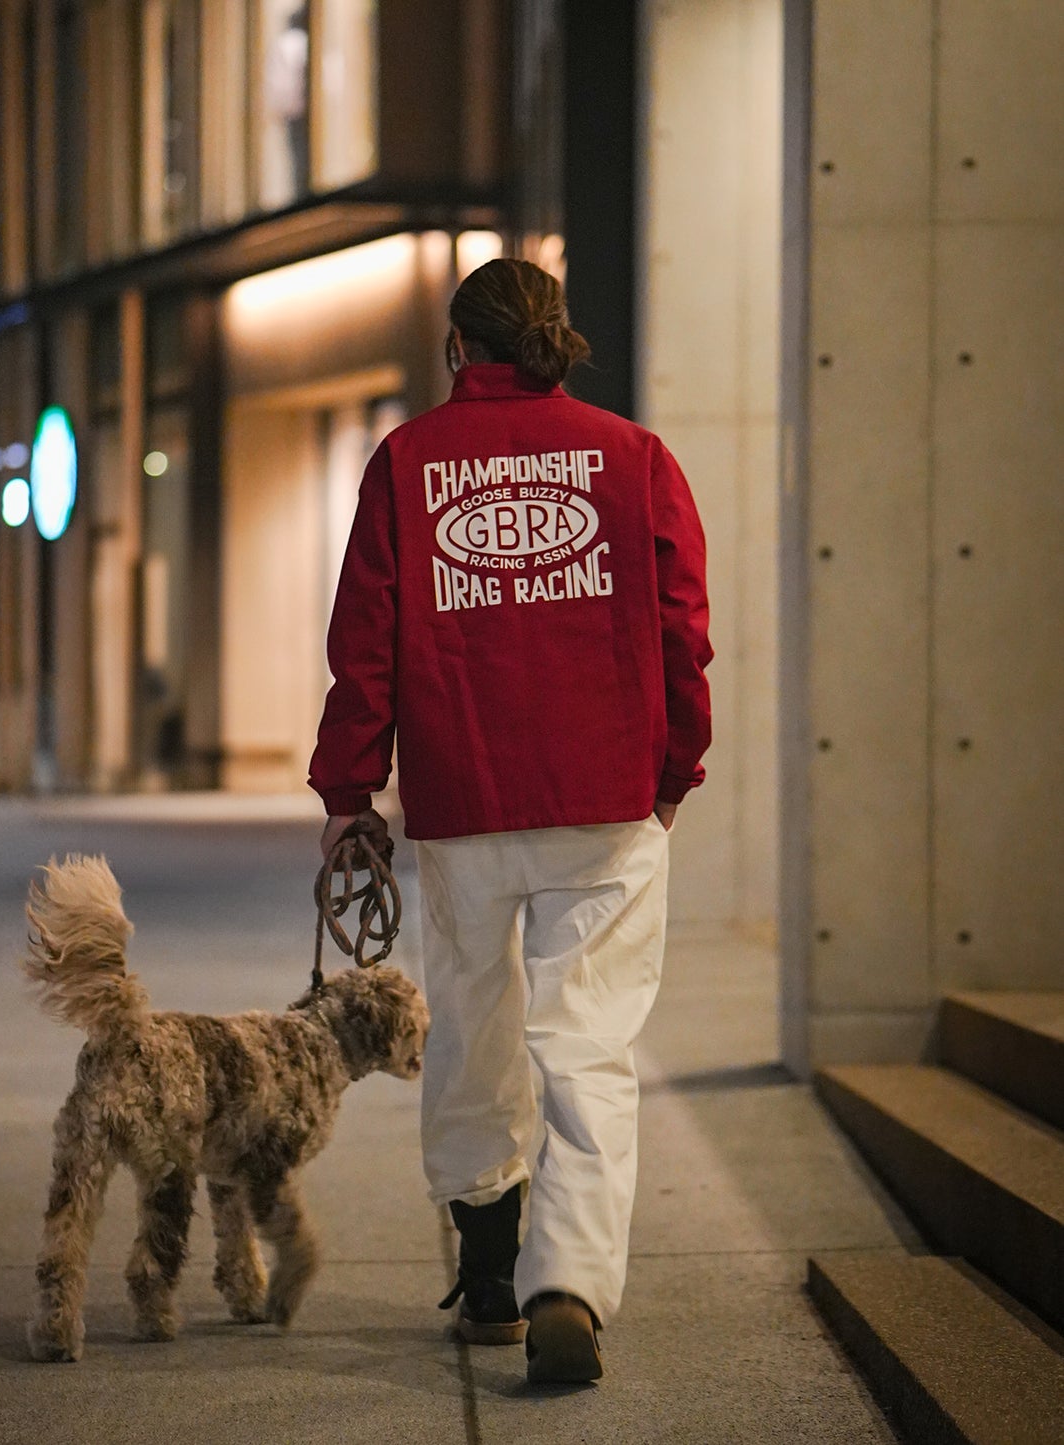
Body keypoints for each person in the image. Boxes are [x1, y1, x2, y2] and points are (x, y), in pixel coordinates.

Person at [308, 258, 711, 1386]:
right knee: (586, 1042)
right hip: (605, 800)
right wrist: (676, 764)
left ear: (458, 352)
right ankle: (567, 1282)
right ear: (556, 342)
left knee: (475, 1024)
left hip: (465, 795)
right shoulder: (635, 460)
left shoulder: (406, 465)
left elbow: (365, 641)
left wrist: (349, 792)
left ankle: (488, 1267)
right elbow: (683, 628)